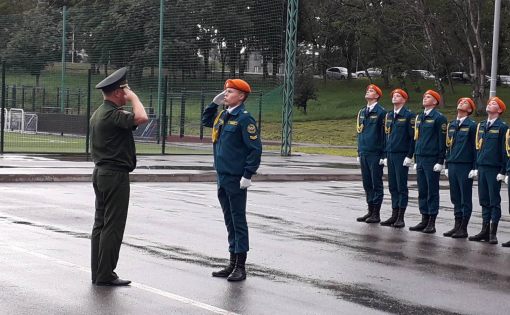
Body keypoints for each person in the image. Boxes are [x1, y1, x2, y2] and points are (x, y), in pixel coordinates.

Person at [90, 67, 148, 286]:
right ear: (117, 93)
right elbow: (142, 117)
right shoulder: (112, 114)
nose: (127, 94)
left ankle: (98, 272)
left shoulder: (99, 113)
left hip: (101, 174)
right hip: (114, 176)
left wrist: (129, 95)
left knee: (100, 225)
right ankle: (106, 274)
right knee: (113, 226)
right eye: (124, 91)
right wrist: (134, 97)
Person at [202, 79, 262, 282]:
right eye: (225, 91)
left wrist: (248, 174)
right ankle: (231, 262)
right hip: (222, 175)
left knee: (238, 221)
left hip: (236, 178)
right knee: (229, 220)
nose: (225, 94)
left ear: (242, 96)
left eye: (229, 92)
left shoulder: (245, 119)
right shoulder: (223, 115)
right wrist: (213, 103)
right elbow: (205, 121)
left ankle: (241, 266)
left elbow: (255, 149)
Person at [469, 97, 508, 244]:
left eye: (494, 104)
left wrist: (503, 171)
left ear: (499, 110)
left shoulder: (502, 127)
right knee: (484, 200)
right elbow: (477, 148)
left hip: (494, 168)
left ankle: (493, 233)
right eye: (489, 102)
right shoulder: (482, 125)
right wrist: (476, 167)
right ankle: (484, 230)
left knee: (494, 201)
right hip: (482, 167)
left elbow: (505, 151)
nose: (489, 104)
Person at [410, 90, 447, 234]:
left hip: (432, 159)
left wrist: (440, 160)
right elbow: (417, 138)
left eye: (429, 97)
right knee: (422, 190)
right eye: (424, 96)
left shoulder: (439, 118)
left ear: (435, 101)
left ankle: (432, 221)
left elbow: (441, 141)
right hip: (420, 157)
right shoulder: (419, 117)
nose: (425, 98)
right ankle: (424, 218)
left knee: (432, 191)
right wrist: (415, 157)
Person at [380, 89, 415, 228]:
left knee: (401, 186)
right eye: (393, 95)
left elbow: (413, 137)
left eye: (398, 95)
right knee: (392, 186)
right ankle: (394, 214)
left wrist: (409, 155)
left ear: (404, 99)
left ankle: (401, 216)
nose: (395, 97)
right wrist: (385, 154)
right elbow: (386, 136)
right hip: (391, 154)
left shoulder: (408, 115)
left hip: (402, 154)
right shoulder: (389, 115)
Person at [443, 98, 477, 238]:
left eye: (465, 103)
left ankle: (463, 228)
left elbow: (476, 148)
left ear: (469, 110)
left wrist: (474, 167)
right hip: (452, 164)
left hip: (465, 165)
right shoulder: (452, 124)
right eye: (460, 101)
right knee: (455, 197)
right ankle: (457, 225)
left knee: (465, 198)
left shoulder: (472, 125)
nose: (461, 103)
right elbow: (448, 146)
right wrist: (446, 164)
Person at [356, 84, 386, 224]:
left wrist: (383, 155)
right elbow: (359, 132)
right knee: (367, 183)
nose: (368, 92)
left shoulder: (381, 112)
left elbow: (384, 135)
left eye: (371, 91)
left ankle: (376, 213)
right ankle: (370, 210)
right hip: (364, 151)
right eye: (367, 90)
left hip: (375, 152)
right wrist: (358, 151)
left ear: (377, 95)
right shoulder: (362, 112)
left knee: (376, 183)